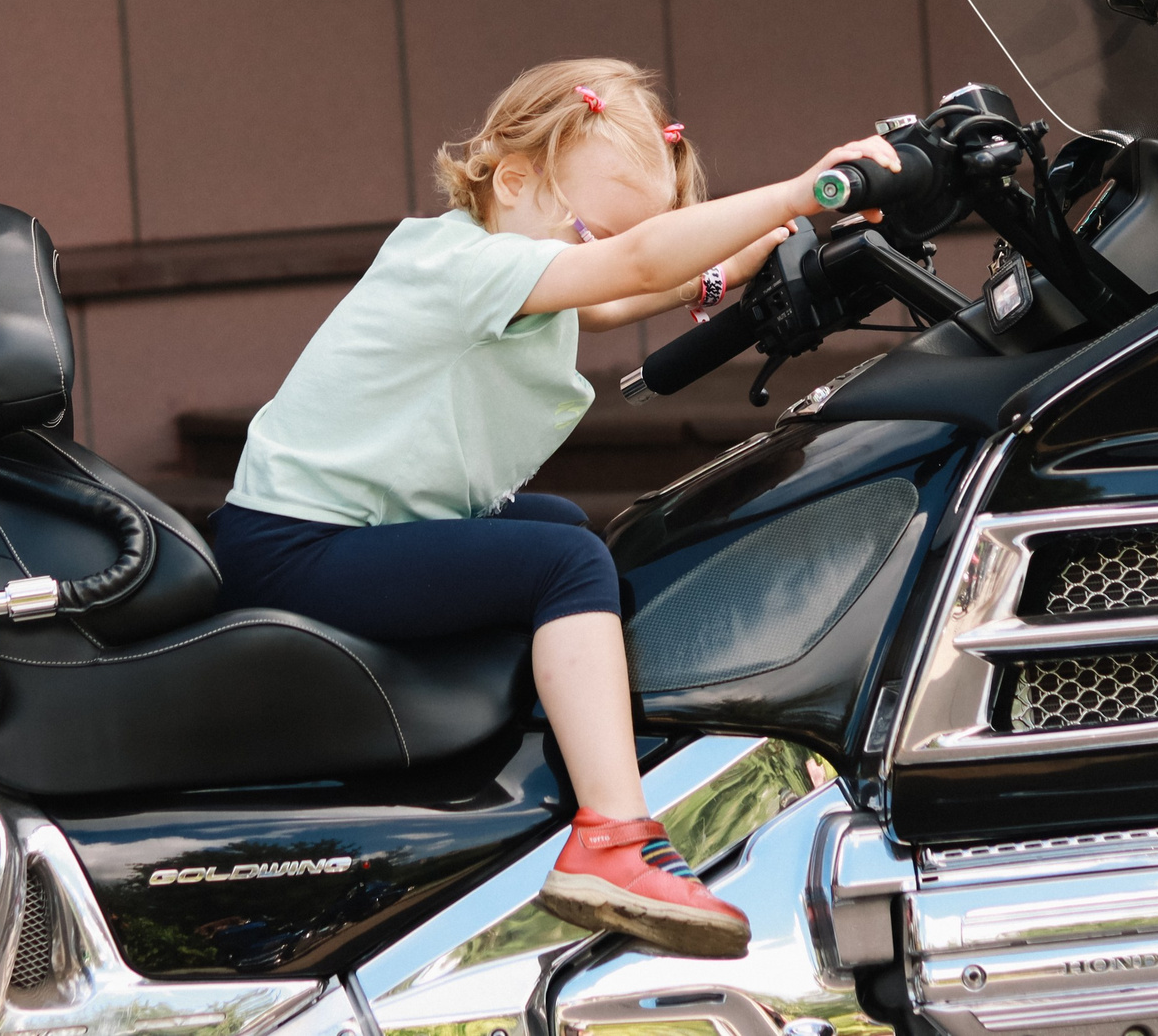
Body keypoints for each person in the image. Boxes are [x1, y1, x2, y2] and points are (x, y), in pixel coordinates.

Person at [212, 58, 900, 958]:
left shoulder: (513, 261)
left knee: (565, 529)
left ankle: (569, 762)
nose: (600, 254)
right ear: (515, 179)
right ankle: (613, 834)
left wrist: (780, 233)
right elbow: (639, 267)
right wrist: (810, 189)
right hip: (297, 545)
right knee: (565, 564)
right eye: (592, 231)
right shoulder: (460, 261)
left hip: (341, 531)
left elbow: (640, 284)